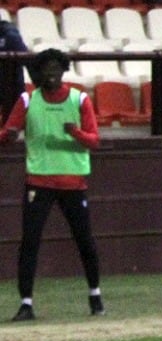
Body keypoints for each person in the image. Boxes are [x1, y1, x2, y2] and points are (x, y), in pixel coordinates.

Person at [0, 49, 104, 321]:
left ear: (63, 71)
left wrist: (75, 132)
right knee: (30, 242)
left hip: (73, 180)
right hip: (39, 179)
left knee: (85, 240)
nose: (51, 75)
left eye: (56, 69)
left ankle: (95, 295)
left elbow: (94, 140)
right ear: (38, 73)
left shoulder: (79, 98)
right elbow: (8, 133)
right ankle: (26, 303)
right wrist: (8, 135)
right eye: (46, 69)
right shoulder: (27, 99)